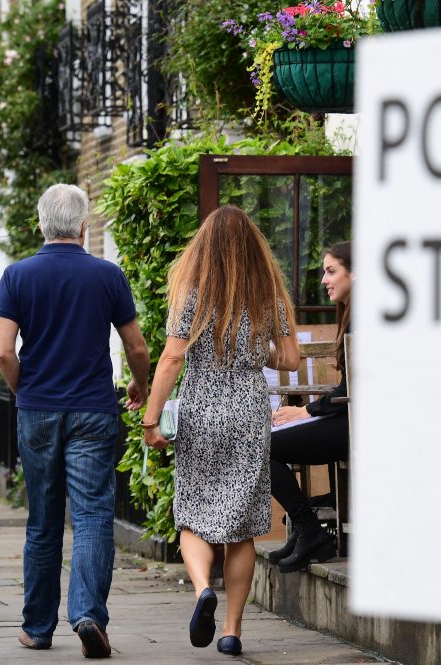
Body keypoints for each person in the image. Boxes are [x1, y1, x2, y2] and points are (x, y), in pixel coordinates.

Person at [0, 183, 150, 659]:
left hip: (38, 408)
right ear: (85, 227)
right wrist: (139, 386)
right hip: (92, 409)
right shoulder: (107, 275)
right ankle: (87, 616)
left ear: (42, 224)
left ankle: (38, 628)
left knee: (42, 520)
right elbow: (137, 347)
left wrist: (26, 390)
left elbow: (3, 351)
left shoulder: (17, 276)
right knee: (92, 517)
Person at [142, 205, 300, 657]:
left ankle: (200, 592)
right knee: (243, 528)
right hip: (249, 412)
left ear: (203, 246)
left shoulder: (191, 292)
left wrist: (151, 419)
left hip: (202, 413)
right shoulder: (267, 292)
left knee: (192, 512)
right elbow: (289, 359)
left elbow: (172, 359)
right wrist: (254, 353)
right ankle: (232, 631)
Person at [267, 241, 353, 573]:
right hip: (350, 417)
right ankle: (306, 528)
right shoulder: (350, 312)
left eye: (331, 271)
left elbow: (358, 388)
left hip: (362, 426)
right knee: (265, 443)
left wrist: (305, 412)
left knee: (264, 448)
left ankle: (309, 529)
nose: (324, 280)